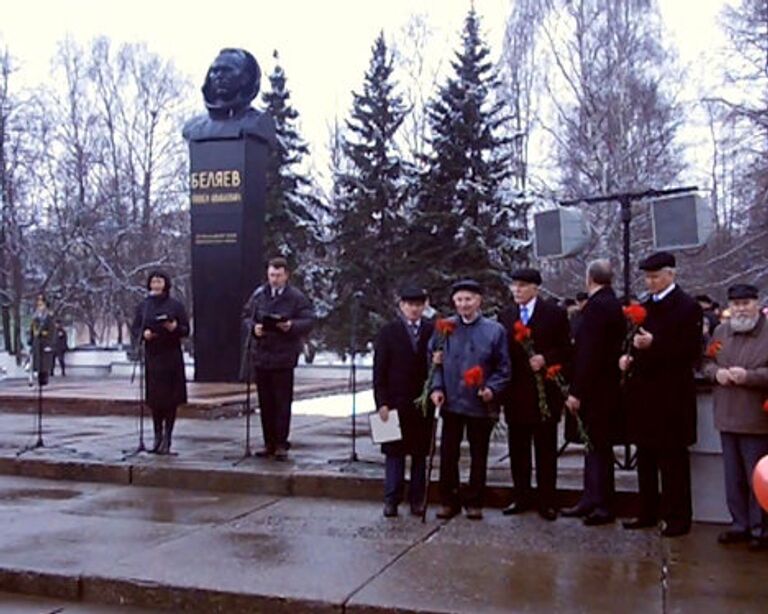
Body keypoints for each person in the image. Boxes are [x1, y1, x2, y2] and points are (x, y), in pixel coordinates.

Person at [620, 252, 702, 537]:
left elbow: (691, 350)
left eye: (655, 276)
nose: (650, 282)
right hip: (644, 396)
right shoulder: (644, 307)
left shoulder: (687, 307)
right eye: (647, 277)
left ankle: (678, 516)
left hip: (672, 397)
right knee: (645, 457)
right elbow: (633, 343)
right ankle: (647, 510)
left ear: (671, 275)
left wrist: (655, 344)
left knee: (673, 461)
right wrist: (628, 357)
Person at [429, 279, 511, 520]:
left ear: (479, 301)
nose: (464, 304)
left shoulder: (494, 331)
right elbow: (433, 361)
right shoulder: (444, 328)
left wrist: (492, 389)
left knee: (478, 455)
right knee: (448, 454)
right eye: (459, 300)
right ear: (454, 302)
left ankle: (474, 501)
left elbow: (504, 368)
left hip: (479, 404)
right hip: (451, 401)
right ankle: (448, 500)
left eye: (469, 299)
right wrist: (436, 387)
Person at [499, 268, 572, 522]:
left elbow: (567, 349)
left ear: (535, 288)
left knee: (545, 450)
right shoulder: (506, 316)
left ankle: (547, 500)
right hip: (515, 393)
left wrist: (547, 358)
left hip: (544, 394)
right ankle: (521, 495)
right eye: (514, 285)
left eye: (522, 285)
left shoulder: (554, 314)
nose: (516, 290)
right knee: (518, 449)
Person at [702, 284, 768, 550]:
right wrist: (715, 374)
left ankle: (760, 528)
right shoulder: (720, 332)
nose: (741, 309)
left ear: (756, 303)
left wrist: (750, 377)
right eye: (736, 304)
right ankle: (738, 523)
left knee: (758, 477)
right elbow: (706, 362)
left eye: (746, 303)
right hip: (726, 415)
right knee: (733, 476)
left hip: (757, 418)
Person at [562, 260, 625, 525]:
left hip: (596, 391)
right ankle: (591, 497)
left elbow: (589, 353)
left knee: (598, 447)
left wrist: (576, 391)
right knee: (593, 447)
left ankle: (601, 503)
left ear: (590, 279)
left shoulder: (598, 308)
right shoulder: (612, 304)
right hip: (605, 387)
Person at [241, 257, 315, 460]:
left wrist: (291, 326)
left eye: (278, 275)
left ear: (286, 275)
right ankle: (268, 443)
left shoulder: (296, 297)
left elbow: (309, 320)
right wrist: (253, 328)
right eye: (271, 275)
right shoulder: (259, 295)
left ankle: (281, 442)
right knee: (265, 402)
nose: (274, 279)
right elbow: (247, 316)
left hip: (284, 355)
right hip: (262, 355)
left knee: (282, 401)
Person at [373, 286, 435, 517]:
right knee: (393, 453)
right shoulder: (388, 332)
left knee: (420, 453)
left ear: (425, 306)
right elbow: (379, 371)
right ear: (401, 306)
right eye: (410, 304)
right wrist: (381, 402)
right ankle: (392, 498)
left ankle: (417, 499)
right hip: (393, 402)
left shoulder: (432, 331)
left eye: (419, 305)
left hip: (422, 402)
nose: (414, 309)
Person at [131, 271, 190, 455]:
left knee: (170, 400)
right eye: (153, 281)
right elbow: (136, 328)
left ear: (166, 283)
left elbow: (186, 329)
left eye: (160, 281)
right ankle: (156, 437)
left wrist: (174, 328)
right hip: (153, 356)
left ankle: (167, 438)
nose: (156, 284)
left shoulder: (175, 305)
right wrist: (143, 335)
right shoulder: (144, 306)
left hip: (170, 356)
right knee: (155, 400)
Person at [28, 294, 54, 386]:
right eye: (38, 303)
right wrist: (31, 339)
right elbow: (32, 328)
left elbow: (51, 330)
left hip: (45, 341)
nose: (39, 304)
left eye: (41, 303)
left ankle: (44, 379)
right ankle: (39, 378)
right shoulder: (35, 317)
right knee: (37, 362)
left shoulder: (48, 317)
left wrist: (49, 343)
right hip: (37, 342)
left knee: (44, 363)